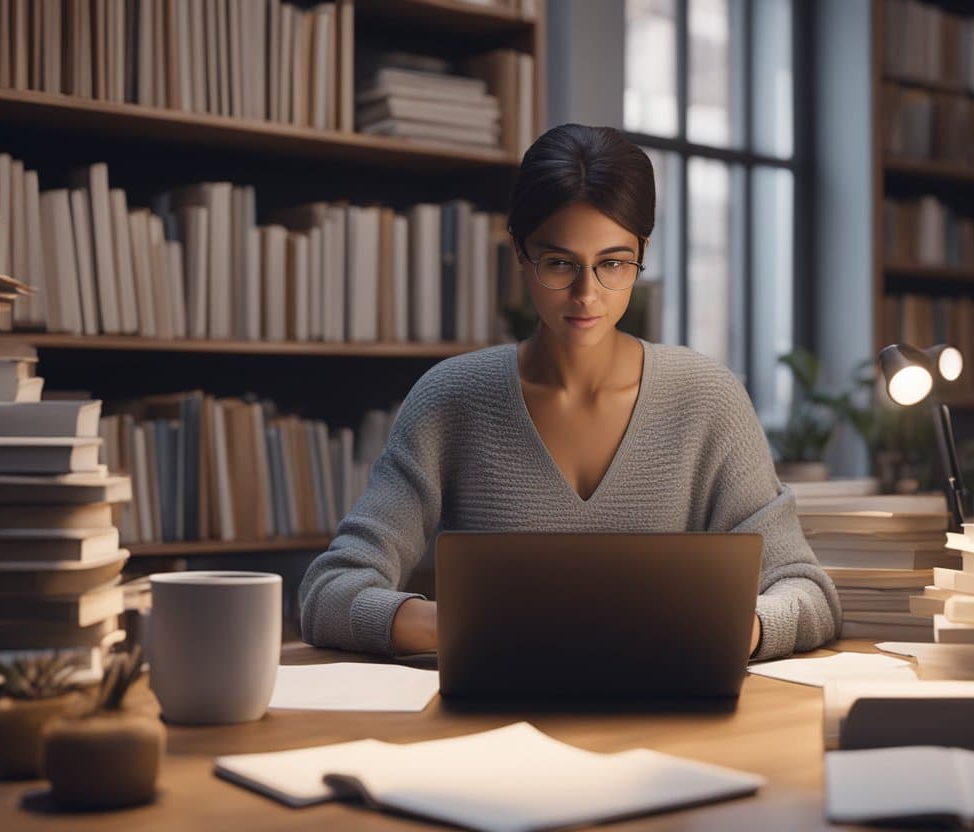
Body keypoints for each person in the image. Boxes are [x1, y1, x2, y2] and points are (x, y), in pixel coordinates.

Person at [299, 123, 841, 660]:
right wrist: (465, 626)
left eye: (613, 263)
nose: (587, 294)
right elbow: (328, 593)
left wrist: (728, 630)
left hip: (669, 715)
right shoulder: (451, 398)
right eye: (559, 263)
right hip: (492, 728)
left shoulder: (708, 398)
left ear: (642, 251)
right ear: (518, 251)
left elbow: (808, 593)